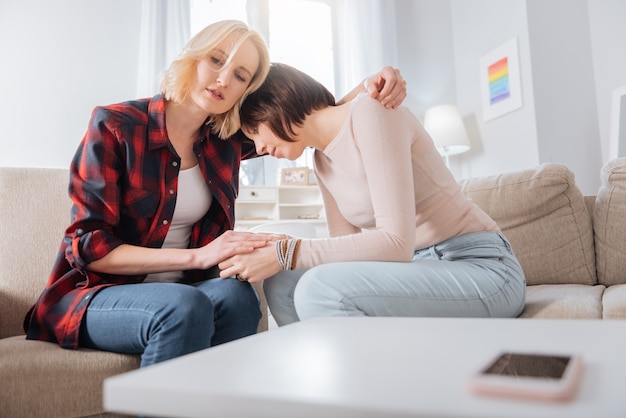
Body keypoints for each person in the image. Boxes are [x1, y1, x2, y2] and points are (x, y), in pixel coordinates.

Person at [23, 21, 408, 367]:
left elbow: (301, 122)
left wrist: (370, 85)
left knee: (239, 297)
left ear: (248, 90)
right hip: (96, 295)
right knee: (184, 306)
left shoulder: (224, 140)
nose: (224, 79)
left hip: (185, 289)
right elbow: (87, 246)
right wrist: (199, 256)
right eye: (216, 60)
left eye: (240, 75)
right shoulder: (115, 125)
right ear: (192, 59)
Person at [220, 63, 526, 326]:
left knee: (318, 288)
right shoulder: (321, 161)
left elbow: (396, 244)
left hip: (479, 266)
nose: (258, 148)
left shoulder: (372, 111)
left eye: (255, 131)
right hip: (418, 269)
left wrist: (288, 252)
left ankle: (366, 384)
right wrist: (279, 251)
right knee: (283, 280)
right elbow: (342, 249)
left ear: (277, 104)